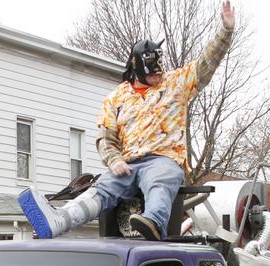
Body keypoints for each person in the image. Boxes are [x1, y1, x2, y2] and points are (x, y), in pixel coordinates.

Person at [16, 1, 235, 241]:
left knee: (159, 182)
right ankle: (60, 219)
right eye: (151, 71)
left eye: (159, 70)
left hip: (164, 158)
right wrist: (114, 159)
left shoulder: (176, 83)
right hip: (127, 162)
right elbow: (105, 137)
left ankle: (154, 222)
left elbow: (206, 64)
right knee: (102, 189)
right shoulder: (116, 97)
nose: (157, 75)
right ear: (136, 66)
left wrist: (225, 33)